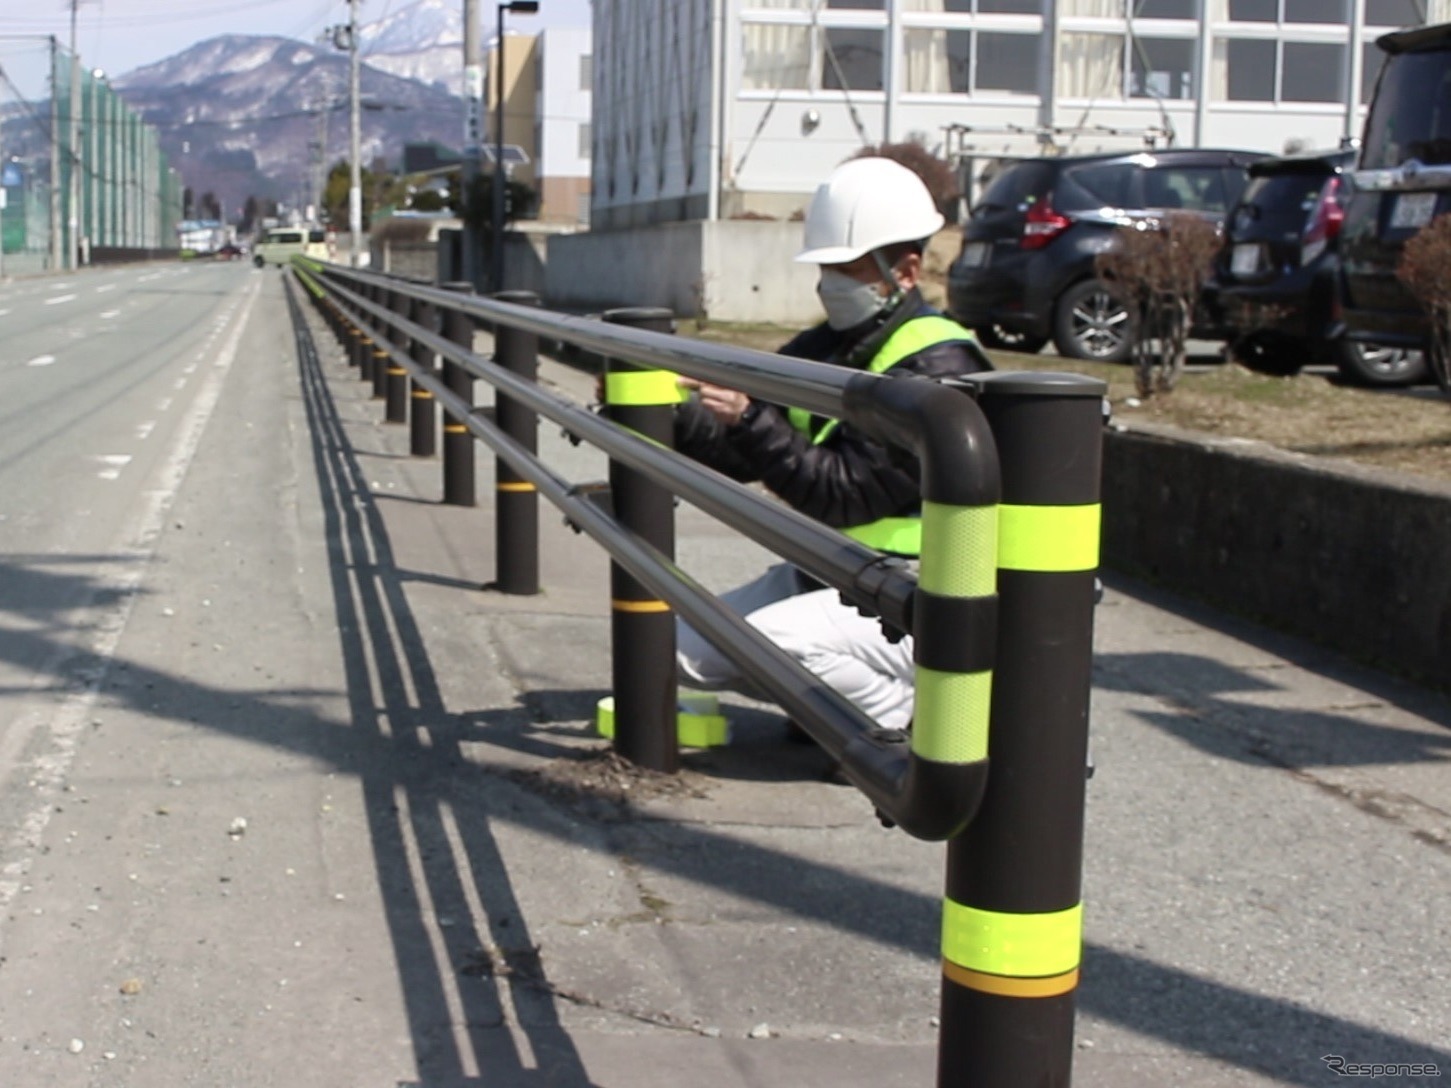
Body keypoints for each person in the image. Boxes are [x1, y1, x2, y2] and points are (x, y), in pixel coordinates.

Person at [673, 155, 992, 735]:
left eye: (848, 267)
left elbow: (847, 495)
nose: (830, 284)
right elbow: (752, 449)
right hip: (837, 572)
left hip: (919, 594)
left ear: (908, 271)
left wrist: (748, 420)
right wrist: (673, 415)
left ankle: (897, 714)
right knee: (683, 646)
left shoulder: (938, 367)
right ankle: (836, 696)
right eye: (827, 267)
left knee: (769, 646)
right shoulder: (833, 344)